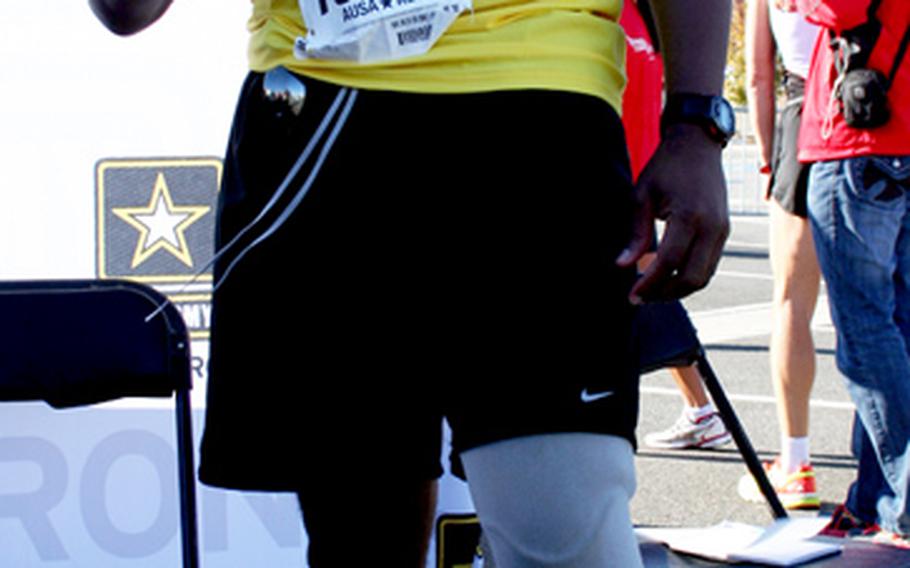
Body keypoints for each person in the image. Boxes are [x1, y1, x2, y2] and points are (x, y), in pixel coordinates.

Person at [90, 0, 733, 566]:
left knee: (566, 536)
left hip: (537, 119)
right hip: (322, 117)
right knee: (361, 540)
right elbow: (127, 11)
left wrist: (696, 123)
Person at [795, 0, 910, 548]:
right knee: (897, 330)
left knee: (866, 335)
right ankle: (875, 501)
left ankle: (901, 498)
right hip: (896, 134)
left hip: (862, 137)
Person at [624, 0, 733, 452]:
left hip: (630, 186)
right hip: (636, 182)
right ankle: (701, 409)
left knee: (650, 300)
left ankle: (702, 409)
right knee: (651, 299)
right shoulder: (639, 24)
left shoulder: (622, 22)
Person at [736, 0, 823, 510]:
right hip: (881, 114)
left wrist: (768, 158)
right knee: (885, 309)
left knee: (792, 301)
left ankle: (796, 461)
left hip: (803, 114)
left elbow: (758, 77)